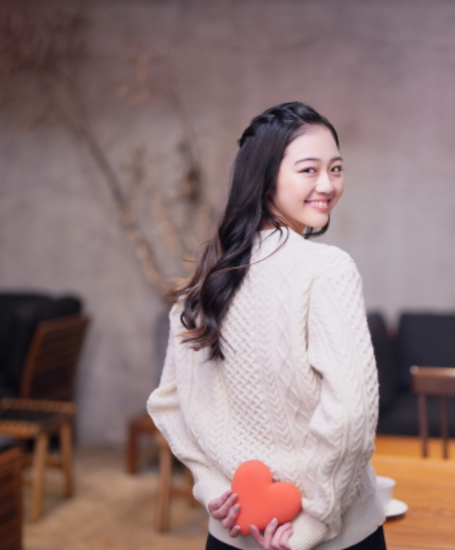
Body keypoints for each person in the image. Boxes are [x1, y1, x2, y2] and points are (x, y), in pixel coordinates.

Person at [147, 102, 386, 550]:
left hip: (231, 534)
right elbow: (352, 416)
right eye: (308, 169)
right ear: (264, 176)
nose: (327, 185)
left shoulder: (204, 279)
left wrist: (213, 488)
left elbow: (168, 404)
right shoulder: (327, 269)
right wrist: (315, 521)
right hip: (327, 540)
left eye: (335, 169)